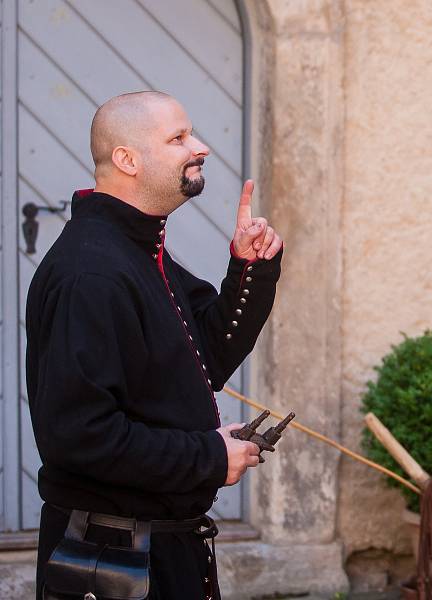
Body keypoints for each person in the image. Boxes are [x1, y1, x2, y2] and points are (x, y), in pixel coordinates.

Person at [27, 91, 284, 599]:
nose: (201, 147)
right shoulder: (91, 271)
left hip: (158, 552)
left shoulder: (138, 251)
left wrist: (249, 269)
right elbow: (80, 436)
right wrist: (207, 456)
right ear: (127, 159)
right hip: (112, 562)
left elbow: (205, 357)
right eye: (178, 137)